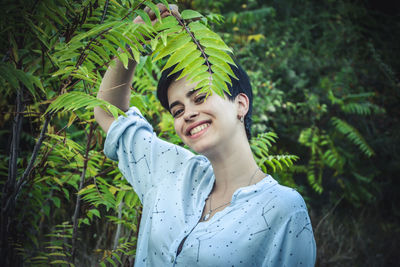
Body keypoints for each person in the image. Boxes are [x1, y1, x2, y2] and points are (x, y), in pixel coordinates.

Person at [94, 4, 316, 266]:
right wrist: (132, 43)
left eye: (199, 97)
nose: (187, 113)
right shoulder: (171, 171)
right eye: (177, 110)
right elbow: (109, 114)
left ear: (240, 104)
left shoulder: (283, 208)